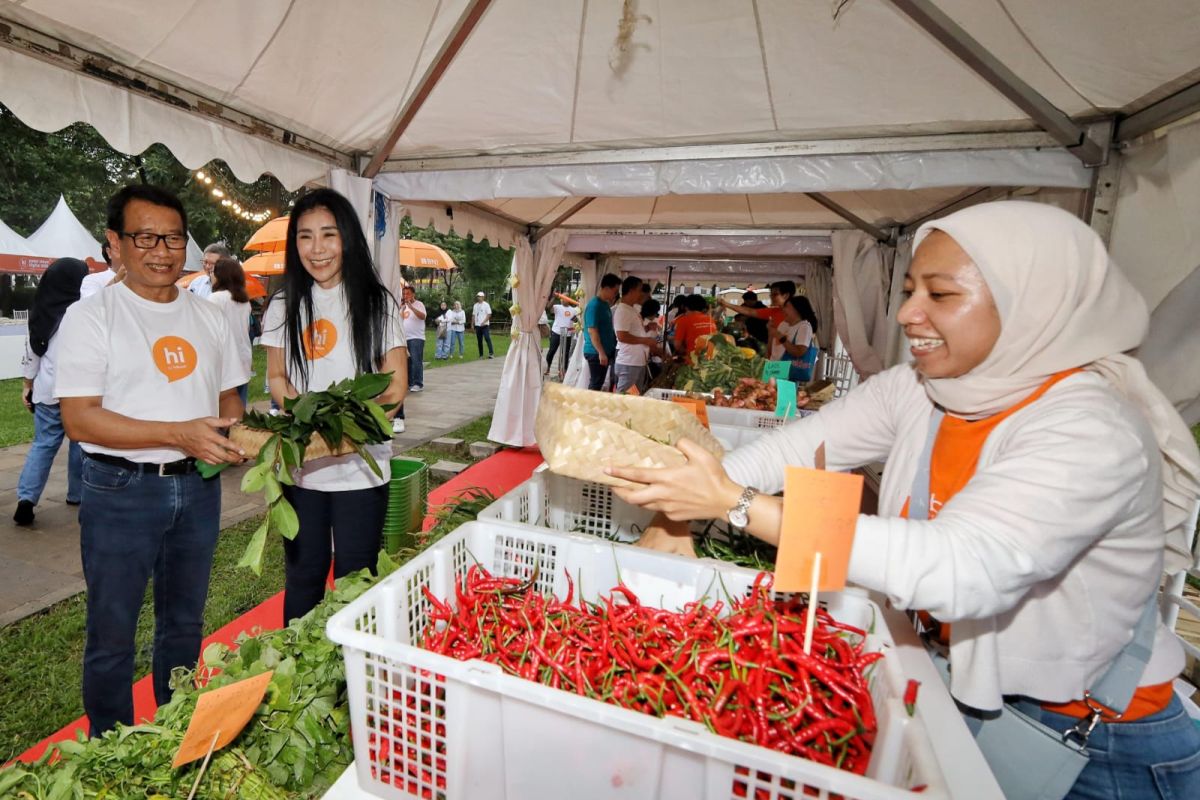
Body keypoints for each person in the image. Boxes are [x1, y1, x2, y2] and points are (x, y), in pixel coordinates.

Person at [610, 201, 1200, 798]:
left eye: (941, 295)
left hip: (1096, 744)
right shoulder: (922, 391)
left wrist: (734, 505)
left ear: (1033, 305)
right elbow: (786, 450)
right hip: (946, 687)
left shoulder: (1091, 429)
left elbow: (961, 569)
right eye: (911, 288)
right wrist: (679, 505)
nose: (907, 313)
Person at [55, 184, 249, 736]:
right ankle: (111, 746)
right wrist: (177, 433)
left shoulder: (210, 315)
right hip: (119, 490)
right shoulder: (92, 317)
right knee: (112, 631)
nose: (162, 250)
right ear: (114, 243)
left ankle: (177, 730)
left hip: (198, 490)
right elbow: (80, 419)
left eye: (173, 237)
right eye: (145, 237)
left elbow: (228, 396)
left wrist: (232, 431)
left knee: (184, 624)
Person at [261, 188, 408, 623]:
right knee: (303, 578)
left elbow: (395, 387)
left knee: (355, 580)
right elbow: (276, 377)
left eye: (329, 234)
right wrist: (308, 416)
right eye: (305, 237)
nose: (317, 248)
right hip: (302, 468)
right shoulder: (283, 305)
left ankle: (351, 679)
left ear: (347, 238)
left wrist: (345, 429)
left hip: (361, 470)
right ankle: (298, 670)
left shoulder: (376, 302)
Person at [14, 257, 89, 526]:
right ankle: (77, 494)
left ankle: (26, 499)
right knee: (80, 444)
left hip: (47, 389)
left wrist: (27, 385)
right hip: (81, 391)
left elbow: (33, 353)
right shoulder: (85, 310)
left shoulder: (40, 310)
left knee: (43, 445)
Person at [207, 256, 253, 407]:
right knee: (239, 406)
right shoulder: (244, 300)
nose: (210, 275)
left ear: (222, 276)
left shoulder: (215, 298)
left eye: (213, 272)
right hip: (244, 358)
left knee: (221, 409)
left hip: (224, 362)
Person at [721, 280, 794, 359]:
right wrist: (726, 304)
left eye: (775, 294)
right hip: (774, 355)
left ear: (786, 295)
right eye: (771, 294)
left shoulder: (797, 316)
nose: (771, 297)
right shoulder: (773, 312)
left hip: (789, 358)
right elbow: (749, 311)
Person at [612, 275, 660, 393]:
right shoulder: (623, 310)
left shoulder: (632, 309)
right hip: (629, 363)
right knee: (624, 400)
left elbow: (633, 331)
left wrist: (646, 328)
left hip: (636, 362)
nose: (642, 295)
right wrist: (646, 341)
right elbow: (622, 336)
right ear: (632, 291)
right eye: (640, 291)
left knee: (633, 398)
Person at [583, 274, 621, 391]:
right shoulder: (594, 305)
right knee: (596, 383)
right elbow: (592, 331)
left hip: (603, 350)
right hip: (596, 352)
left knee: (599, 382)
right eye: (615, 292)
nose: (616, 295)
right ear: (607, 288)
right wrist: (601, 352)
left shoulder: (604, 304)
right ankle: (589, 407)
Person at [776, 295, 820, 383]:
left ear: (797, 309)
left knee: (784, 396)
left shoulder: (804, 327)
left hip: (788, 371)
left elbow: (800, 351)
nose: (783, 309)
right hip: (775, 367)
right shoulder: (783, 324)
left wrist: (782, 339)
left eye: (787, 306)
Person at [400, 285, 427, 391]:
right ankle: (409, 382)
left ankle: (418, 383)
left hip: (416, 337)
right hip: (405, 338)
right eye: (404, 294)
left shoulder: (419, 304)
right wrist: (402, 308)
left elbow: (423, 316)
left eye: (408, 293)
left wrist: (411, 307)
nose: (406, 296)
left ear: (413, 294)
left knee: (416, 361)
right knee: (408, 362)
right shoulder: (403, 306)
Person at [546, 297, 577, 377]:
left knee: (565, 353)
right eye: (562, 298)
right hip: (556, 332)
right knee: (552, 351)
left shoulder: (573, 310)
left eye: (565, 298)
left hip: (567, 334)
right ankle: (547, 367)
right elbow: (548, 307)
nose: (563, 300)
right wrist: (553, 296)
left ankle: (563, 370)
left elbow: (575, 320)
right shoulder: (557, 307)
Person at [473, 291, 494, 358]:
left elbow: (489, 314)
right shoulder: (475, 305)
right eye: (478, 296)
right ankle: (481, 355)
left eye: (480, 296)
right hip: (477, 325)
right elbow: (473, 315)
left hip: (485, 325)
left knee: (487, 338)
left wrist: (484, 322)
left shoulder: (486, 305)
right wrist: (472, 324)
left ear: (483, 297)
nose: (478, 298)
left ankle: (491, 353)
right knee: (479, 340)